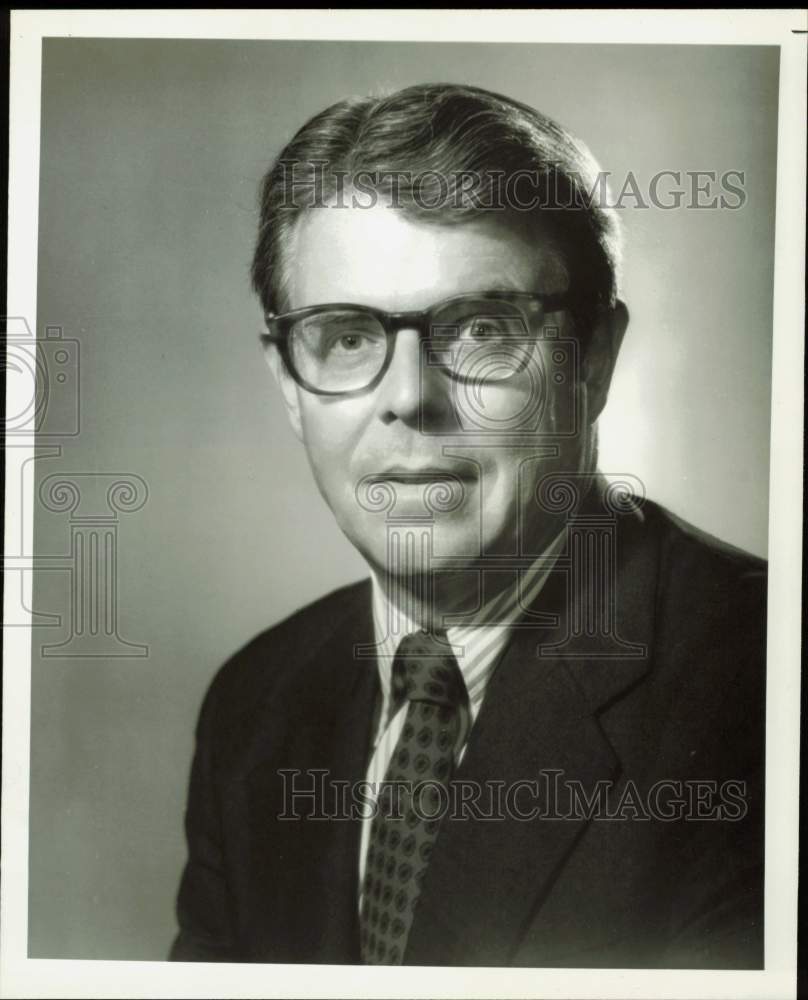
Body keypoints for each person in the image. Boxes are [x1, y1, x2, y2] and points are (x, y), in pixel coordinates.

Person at [169, 83, 766, 968]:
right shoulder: (255, 706)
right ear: (289, 383)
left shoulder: (759, 679)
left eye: (483, 329)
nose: (409, 398)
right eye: (345, 337)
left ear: (594, 360)